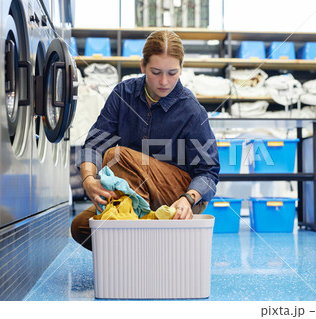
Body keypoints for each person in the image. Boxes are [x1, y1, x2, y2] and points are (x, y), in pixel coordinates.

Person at [71, 30, 220, 250]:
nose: (164, 81)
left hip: (177, 196)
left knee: (116, 156)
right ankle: (149, 244)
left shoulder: (191, 109)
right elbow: (94, 143)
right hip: (133, 190)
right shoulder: (124, 94)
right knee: (82, 227)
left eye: (172, 73)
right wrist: (88, 181)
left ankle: (136, 247)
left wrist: (188, 198)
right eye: (156, 72)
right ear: (143, 66)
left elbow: (209, 171)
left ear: (181, 68)